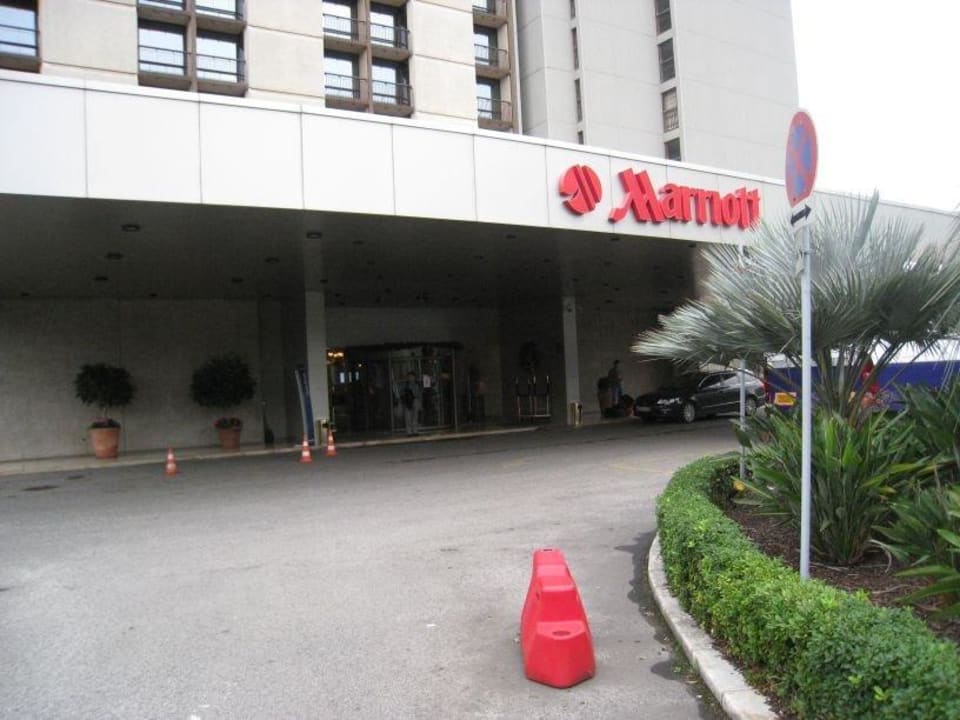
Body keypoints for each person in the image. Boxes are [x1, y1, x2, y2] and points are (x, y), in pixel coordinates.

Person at [399, 371, 421, 435]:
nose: (411, 378)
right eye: (410, 377)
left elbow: (418, 394)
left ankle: (415, 431)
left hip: (415, 400)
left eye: (412, 377)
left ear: (414, 377)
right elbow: (401, 393)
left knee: (415, 416)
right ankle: (409, 431)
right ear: (408, 378)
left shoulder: (417, 384)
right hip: (407, 402)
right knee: (408, 417)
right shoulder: (405, 385)